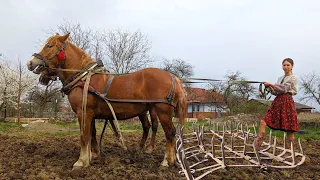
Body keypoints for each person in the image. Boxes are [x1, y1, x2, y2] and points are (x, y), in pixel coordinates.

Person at [255, 58, 298, 150]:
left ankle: (290, 151)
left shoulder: (293, 78)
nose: (286, 67)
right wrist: (269, 87)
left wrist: (271, 84)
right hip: (278, 102)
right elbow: (276, 92)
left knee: (290, 129)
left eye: (288, 65)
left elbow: (284, 89)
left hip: (287, 102)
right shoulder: (280, 78)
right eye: (284, 65)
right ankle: (258, 144)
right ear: (282, 66)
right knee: (263, 121)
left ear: (292, 67)